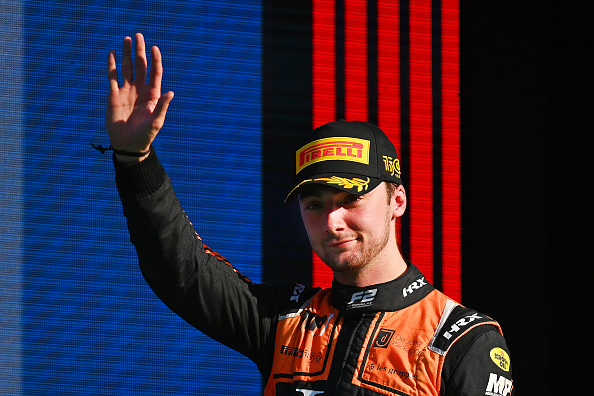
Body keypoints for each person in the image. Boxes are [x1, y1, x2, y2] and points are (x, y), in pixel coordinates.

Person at [106, 33, 514, 396]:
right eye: (315, 205)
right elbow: (181, 270)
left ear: (398, 202)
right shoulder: (284, 318)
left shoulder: (461, 340)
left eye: (350, 200)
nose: (333, 222)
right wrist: (135, 159)